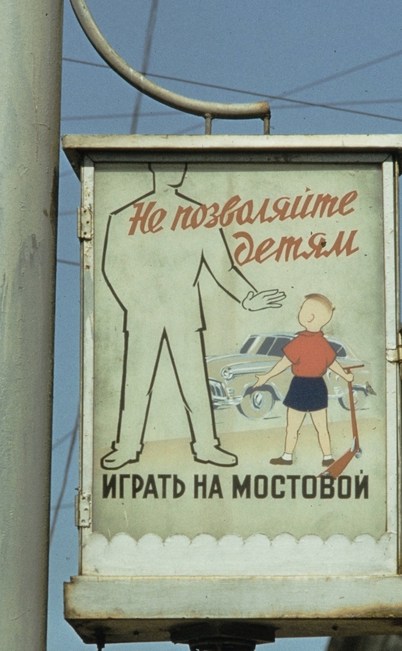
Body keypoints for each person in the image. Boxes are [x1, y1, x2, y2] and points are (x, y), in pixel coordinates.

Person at [99, 163, 284, 469]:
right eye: (169, 164)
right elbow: (111, 267)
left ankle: (207, 447)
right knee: (136, 384)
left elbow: (222, 266)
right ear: (154, 169)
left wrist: (249, 298)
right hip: (143, 315)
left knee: (195, 384)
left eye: (180, 165)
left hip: (184, 313)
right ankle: (127, 448)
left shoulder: (199, 217)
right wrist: (135, 304)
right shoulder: (124, 216)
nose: (178, 170)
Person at [250, 294, 356, 467]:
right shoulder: (321, 342)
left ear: (310, 316)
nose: (300, 311)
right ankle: (325, 457)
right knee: (320, 426)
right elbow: (333, 364)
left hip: (301, 385)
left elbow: (284, 363)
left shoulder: (300, 342)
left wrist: (267, 376)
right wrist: (346, 376)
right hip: (315, 386)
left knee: (294, 426)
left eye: (302, 308)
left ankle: (290, 456)